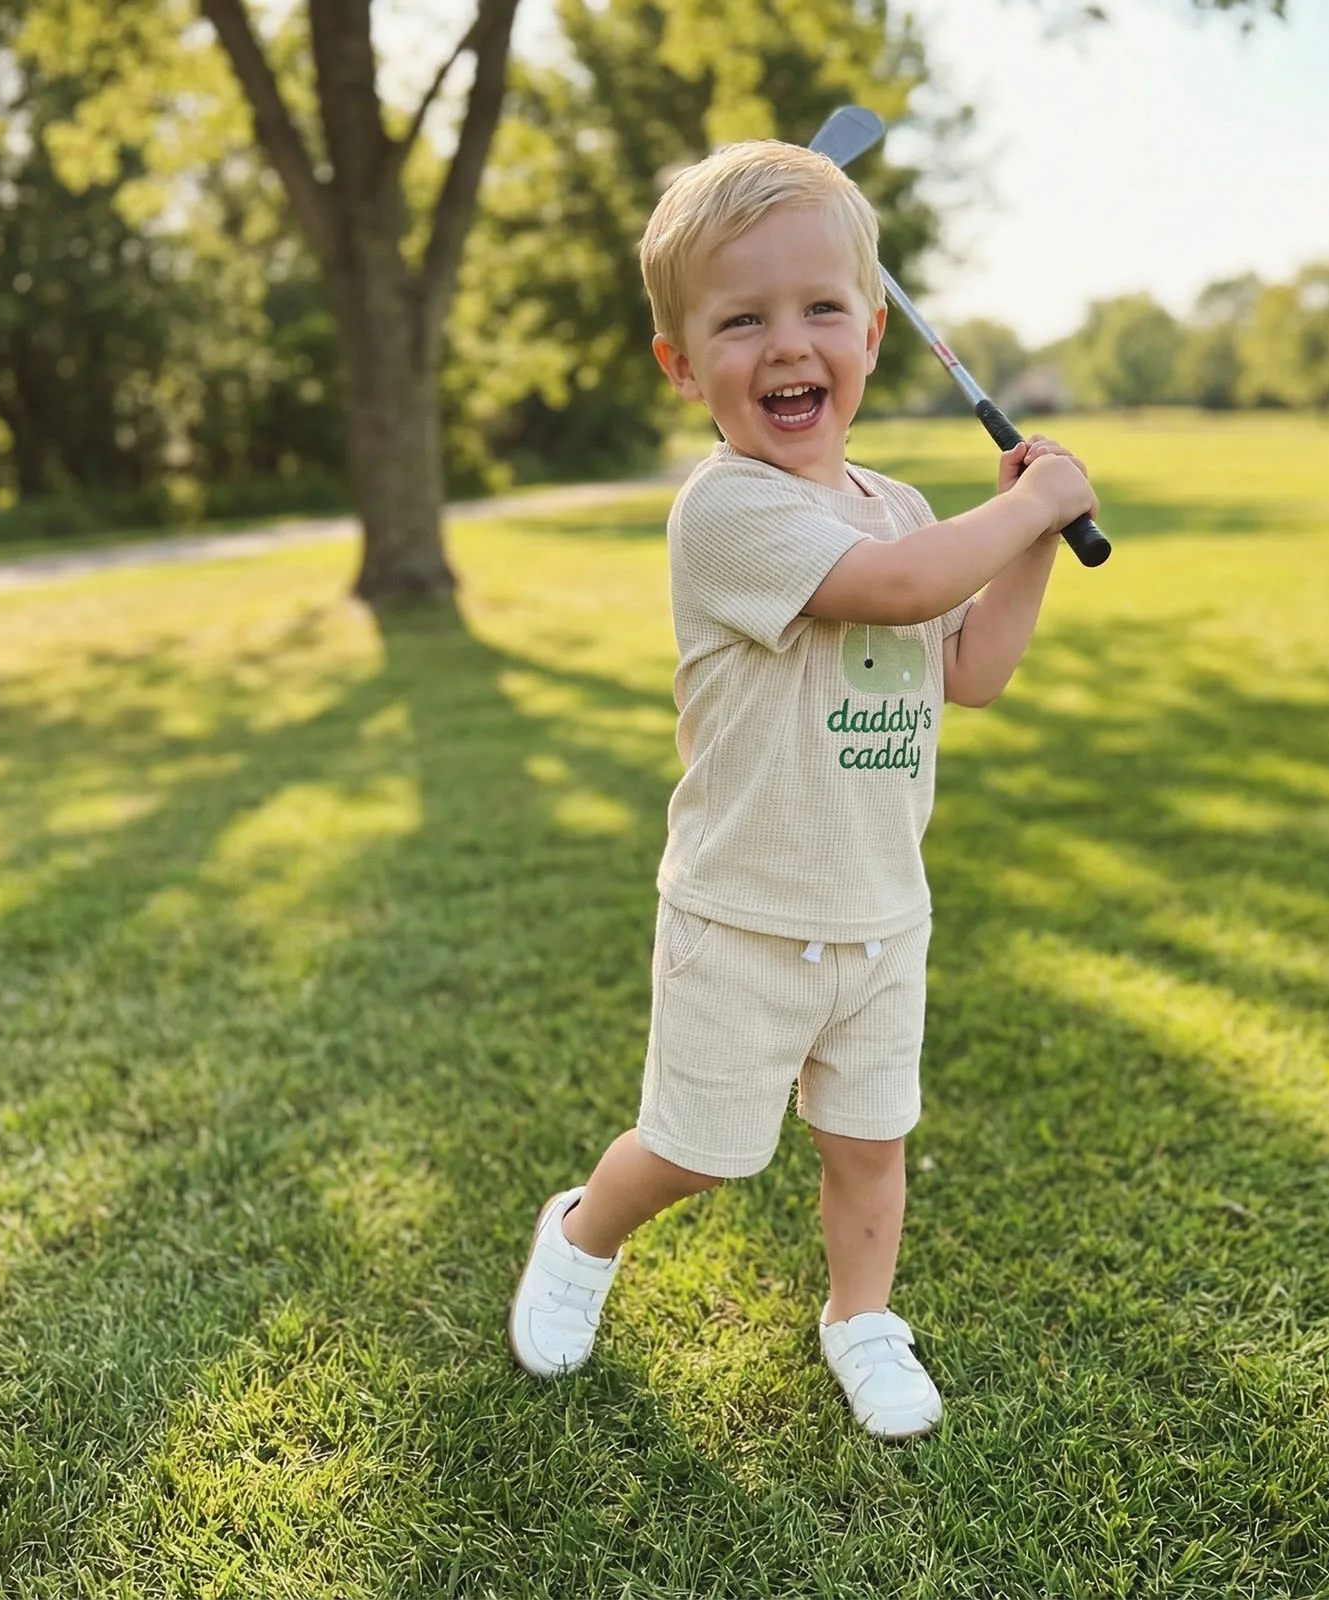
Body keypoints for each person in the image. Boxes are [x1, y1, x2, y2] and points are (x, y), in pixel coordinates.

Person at [508, 138, 1098, 1440]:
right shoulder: (726, 514)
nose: (788, 344)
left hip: (883, 912)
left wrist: (1034, 541)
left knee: (871, 1144)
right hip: (745, 914)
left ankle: (860, 1317)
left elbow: (974, 667)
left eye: (821, 308)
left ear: (873, 332)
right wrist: (1029, 504)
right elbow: (895, 593)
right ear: (682, 365)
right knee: (702, 1149)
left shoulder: (904, 508)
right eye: (742, 319)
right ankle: (583, 1228)